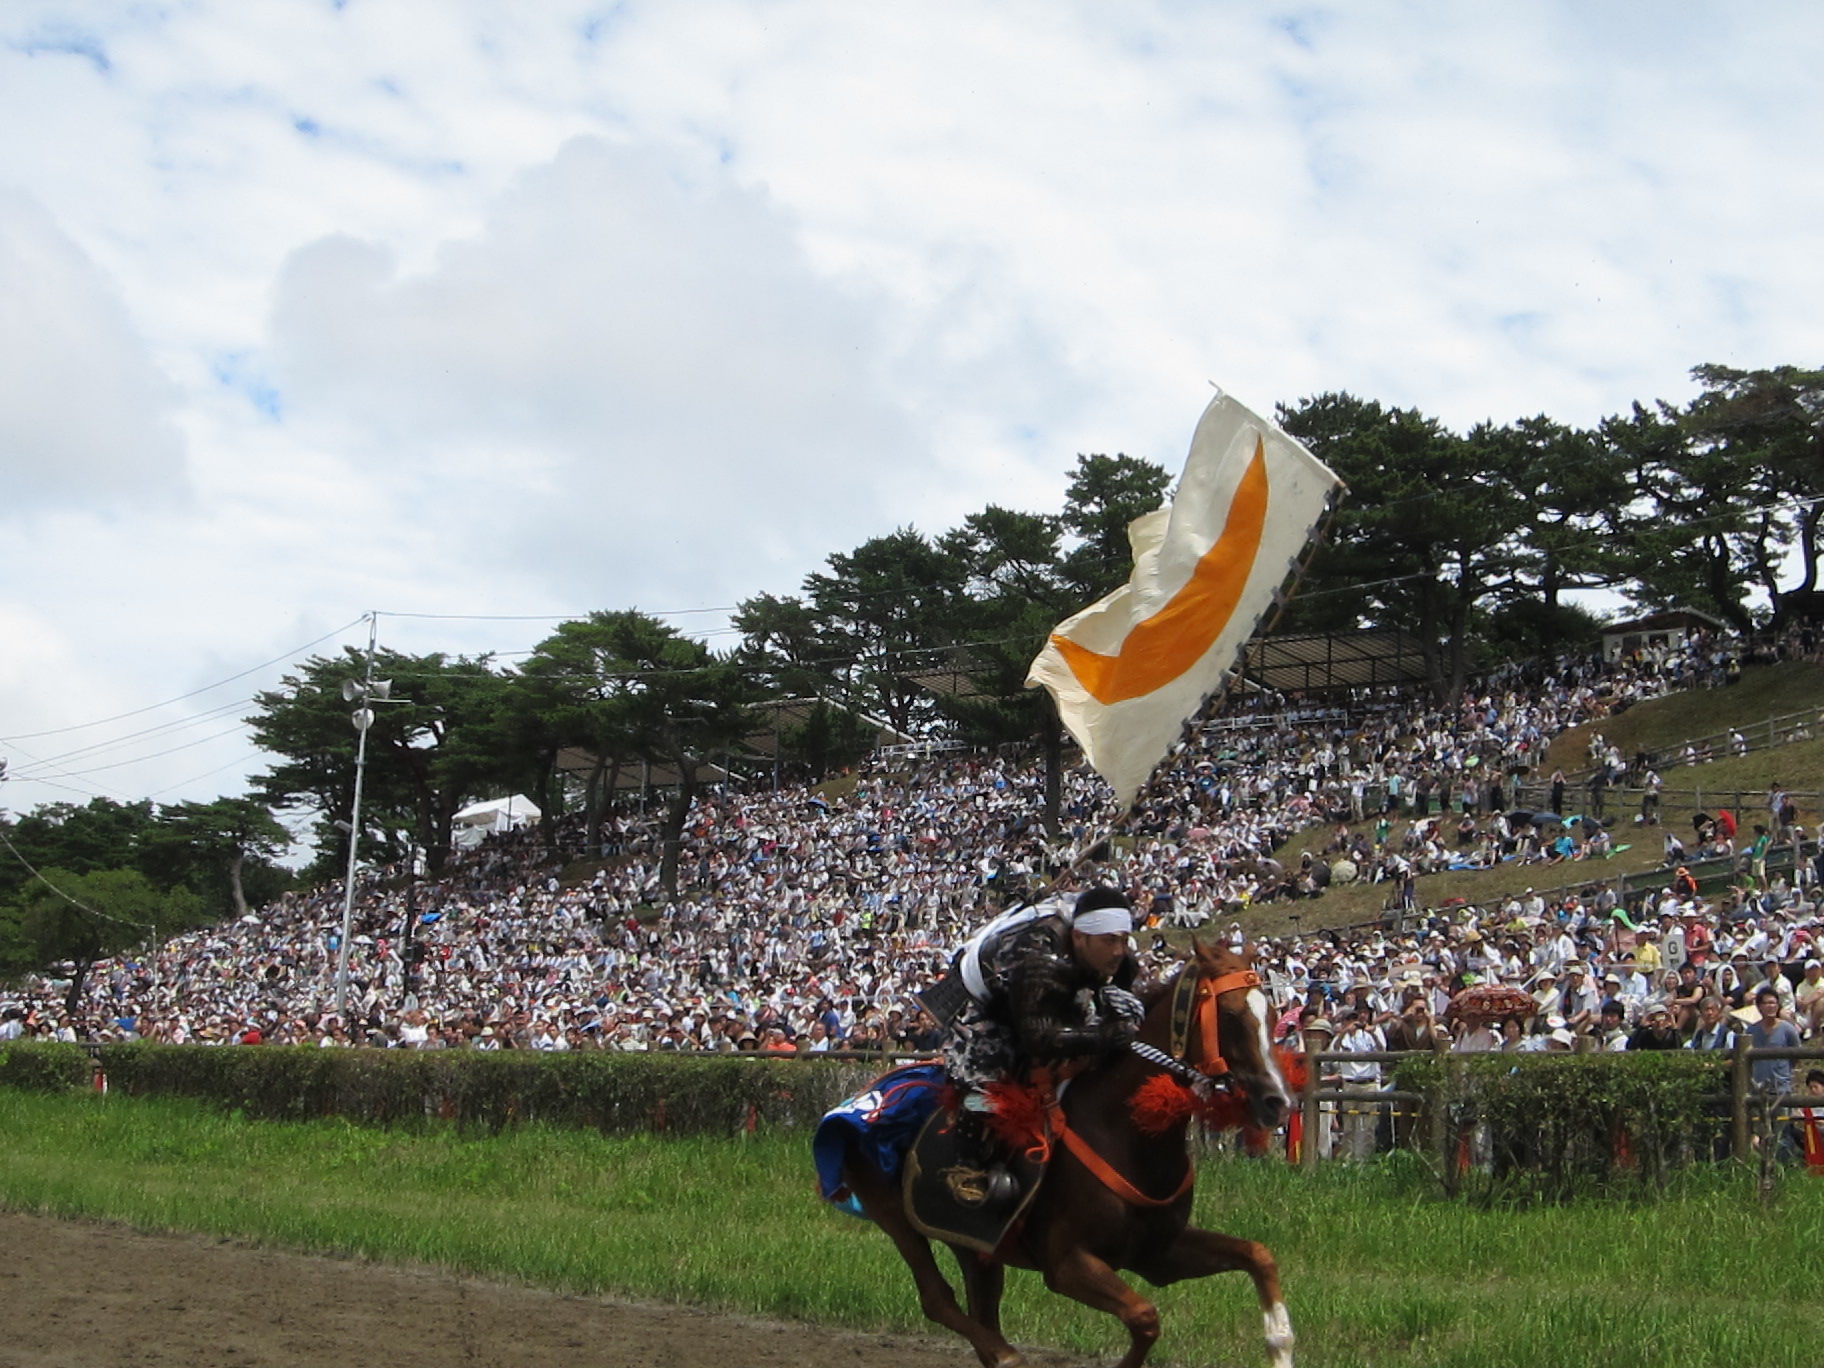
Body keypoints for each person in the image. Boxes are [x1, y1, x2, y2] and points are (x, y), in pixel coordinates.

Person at [939, 887, 1146, 1207]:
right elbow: (1039, 1037)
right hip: (991, 1008)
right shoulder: (1036, 954)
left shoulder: (1115, 954)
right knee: (989, 1075)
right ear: (1079, 938)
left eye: (1123, 940)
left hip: (1055, 998)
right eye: (1110, 941)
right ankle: (967, 1163)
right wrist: (1105, 1035)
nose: (1119, 951)